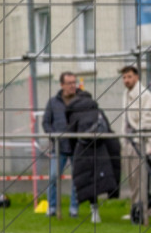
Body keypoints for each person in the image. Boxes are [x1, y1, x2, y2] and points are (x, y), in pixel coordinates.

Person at [67, 90, 117, 223]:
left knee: (86, 180)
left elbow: (70, 134)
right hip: (99, 149)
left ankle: (92, 209)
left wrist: (73, 151)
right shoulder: (98, 111)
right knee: (98, 179)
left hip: (82, 150)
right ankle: (97, 210)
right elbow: (108, 130)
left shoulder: (74, 112)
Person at [42, 72, 84, 217]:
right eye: (69, 83)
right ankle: (52, 207)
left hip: (77, 146)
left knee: (77, 178)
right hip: (59, 147)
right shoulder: (53, 102)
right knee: (53, 177)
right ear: (62, 85)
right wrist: (54, 136)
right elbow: (46, 123)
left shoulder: (81, 100)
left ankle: (74, 209)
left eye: (74, 82)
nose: (73, 85)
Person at [120, 65, 151, 221]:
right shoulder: (126, 94)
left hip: (139, 143)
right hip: (127, 142)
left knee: (140, 179)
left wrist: (144, 143)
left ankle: (141, 210)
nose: (126, 80)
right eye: (124, 77)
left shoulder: (144, 95)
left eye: (129, 77)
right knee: (131, 178)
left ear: (137, 77)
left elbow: (147, 120)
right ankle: (135, 208)